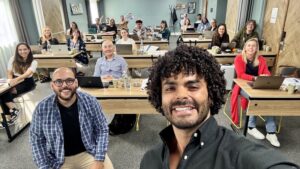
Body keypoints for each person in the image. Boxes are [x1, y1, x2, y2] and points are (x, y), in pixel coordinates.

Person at [140, 45, 299, 168]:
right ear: (159, 96)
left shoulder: (239, 154)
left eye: (193, 86)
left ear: (211, 93)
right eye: (170, 88)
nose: (181, 96)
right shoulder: (149, 160)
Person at [30, 67, 113, 169]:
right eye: (59, 82)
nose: (65, 85)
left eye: (69, 81)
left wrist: (99, 159)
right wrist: (44, 166)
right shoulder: (42, 108)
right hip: (59, 158)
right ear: (52, 85)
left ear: (76, 83)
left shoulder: (90, 101)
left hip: (89, 153)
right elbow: (36, 140)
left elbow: (102, 130)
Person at [230, 38, 280, 147]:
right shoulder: (239, 58)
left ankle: (271, 132)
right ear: (245, 47)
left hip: (258, 85)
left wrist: (265, 76)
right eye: (249, 45)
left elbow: (266, 72)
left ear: (257, 48)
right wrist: (255, 78)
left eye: (254, 46)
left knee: (269, 99)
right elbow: (241, 75)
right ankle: (251, 127)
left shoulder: (261, 59)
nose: (251, 48)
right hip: (243, 86)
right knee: (255, 98)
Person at [0, 43, 37, 128]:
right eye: (20, 50)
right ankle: (13, 111)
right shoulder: (12, 59)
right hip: (14, 80)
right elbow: (9, 72)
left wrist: (14, 82)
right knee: (3, 93)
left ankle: (10, 117)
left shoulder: (33, 61)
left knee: (4, 94)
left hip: (27, 82)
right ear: (17, 51)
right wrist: (10, 83)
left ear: (29, 50)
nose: (22, 51)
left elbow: (27, 74)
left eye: (25, 49)